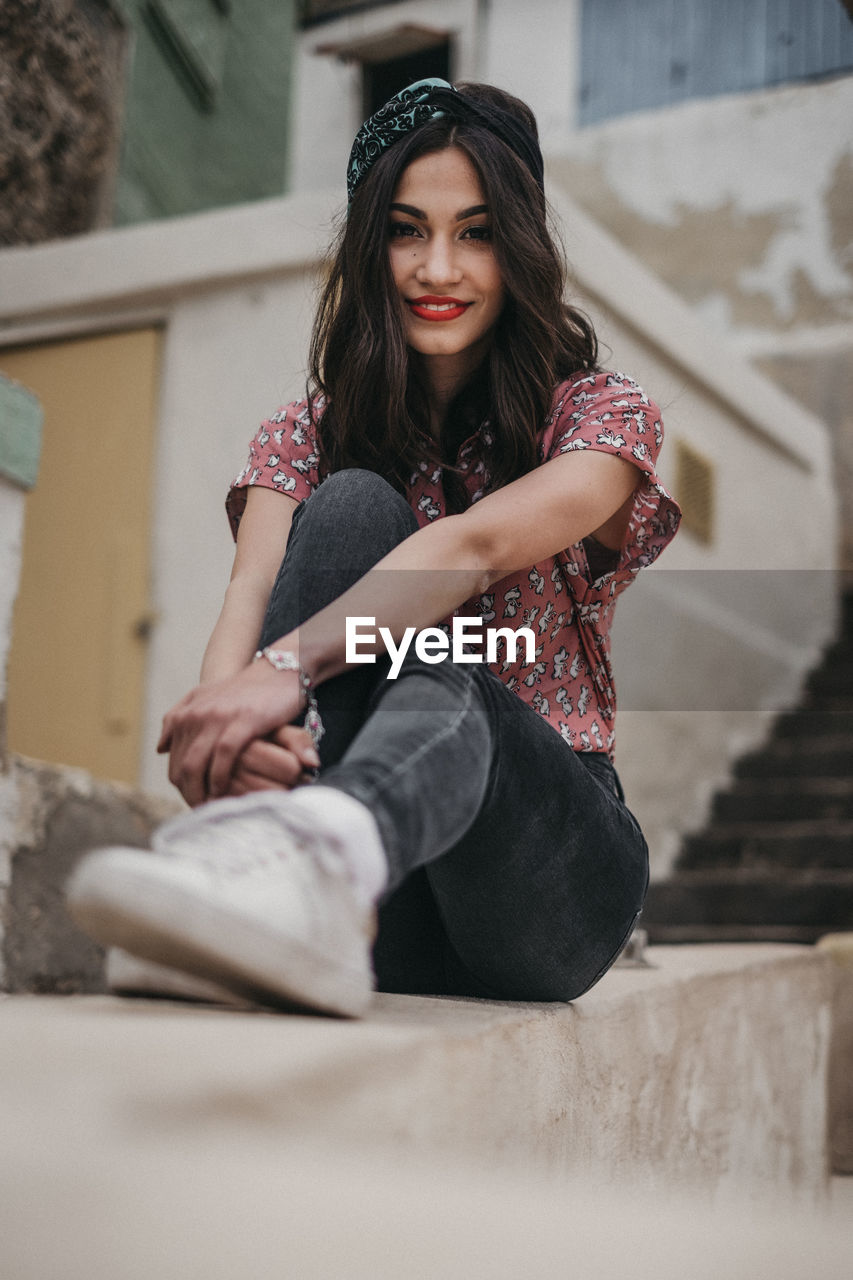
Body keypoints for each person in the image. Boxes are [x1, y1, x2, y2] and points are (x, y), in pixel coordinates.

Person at [67, 79, 681, 1017]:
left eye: (475, 233)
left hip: (545, 879)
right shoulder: (302, 433)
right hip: (379, 905)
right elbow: (251, 591)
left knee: (447, 675)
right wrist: (222, 744)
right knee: (351, 503)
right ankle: (267, 874)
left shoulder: (597, 416)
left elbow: (474, 546)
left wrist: (288, 665)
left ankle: (311, 856)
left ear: (518, 250)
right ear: (369, 246)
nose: (438, 268)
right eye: (406, 230)